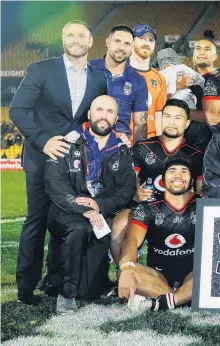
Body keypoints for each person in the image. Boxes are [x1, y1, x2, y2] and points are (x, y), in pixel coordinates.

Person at [9, 20, 107, 304]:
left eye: (81, 36)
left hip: (74, 165)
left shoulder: (98, 78)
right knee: (37, 221)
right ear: (62, 39)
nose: (75, 40)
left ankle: (54, 281)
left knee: (64, 221)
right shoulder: (42, 69)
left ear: (90, 42)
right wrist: (44, 140)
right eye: (69, 35)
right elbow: (18, 110)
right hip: (42, 158)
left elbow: (90, 120)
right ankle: (26, 287)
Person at [44, 95, 136, 313]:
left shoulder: (122, 150)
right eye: (99, 110)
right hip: (65, 212)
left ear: (116, 119)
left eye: (110, 112)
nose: (103, 116)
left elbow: (126, 189)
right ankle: (65, 297)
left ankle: (58, 280)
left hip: (100, 215)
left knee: (90, 292)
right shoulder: (67, 142)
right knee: (79, 227)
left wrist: (100, 205)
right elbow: (54, 183)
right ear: (89, 114)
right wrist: (82, 209)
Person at [111, 99, 204, 276]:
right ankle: (126, 278)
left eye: (178, 118)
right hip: (146, 208)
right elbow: (129, 183)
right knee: (119, 226)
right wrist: (135, 194)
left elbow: (200, 191)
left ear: (187, 123)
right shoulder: (143, 147)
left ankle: (191, 276)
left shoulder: (196, 153)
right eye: (167, 116)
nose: (171, 121)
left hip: (180, 210)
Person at [118, 157, 197, 311]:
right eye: (172, 171)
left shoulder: (202, 204)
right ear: (163, 179)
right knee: (127, 269)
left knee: (214, 272)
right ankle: (182, 297)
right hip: (158, 277)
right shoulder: (149, 207)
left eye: (184, 171)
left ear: (192, 180)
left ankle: (166, 301)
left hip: (193, 276)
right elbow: (132, 239)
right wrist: (127, 268)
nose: (178, 176)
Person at [90, 25, 148, 142]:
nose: (121, 47)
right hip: (87, 142)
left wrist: (136, 153)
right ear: (107, 42)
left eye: (127, 44)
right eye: (117, 41)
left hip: (119, 145)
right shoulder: (88, 69)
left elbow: (140, 124)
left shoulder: (138, 80)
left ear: (132, 47)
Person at [129, 23, 167, 138]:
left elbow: (158, 117)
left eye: (151, 40)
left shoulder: (159, 78)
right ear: (132, 42)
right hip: (122, 142)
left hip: (149, 143)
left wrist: (158, 145)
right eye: (141, 39)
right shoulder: (118, 73)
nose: (147, 43)